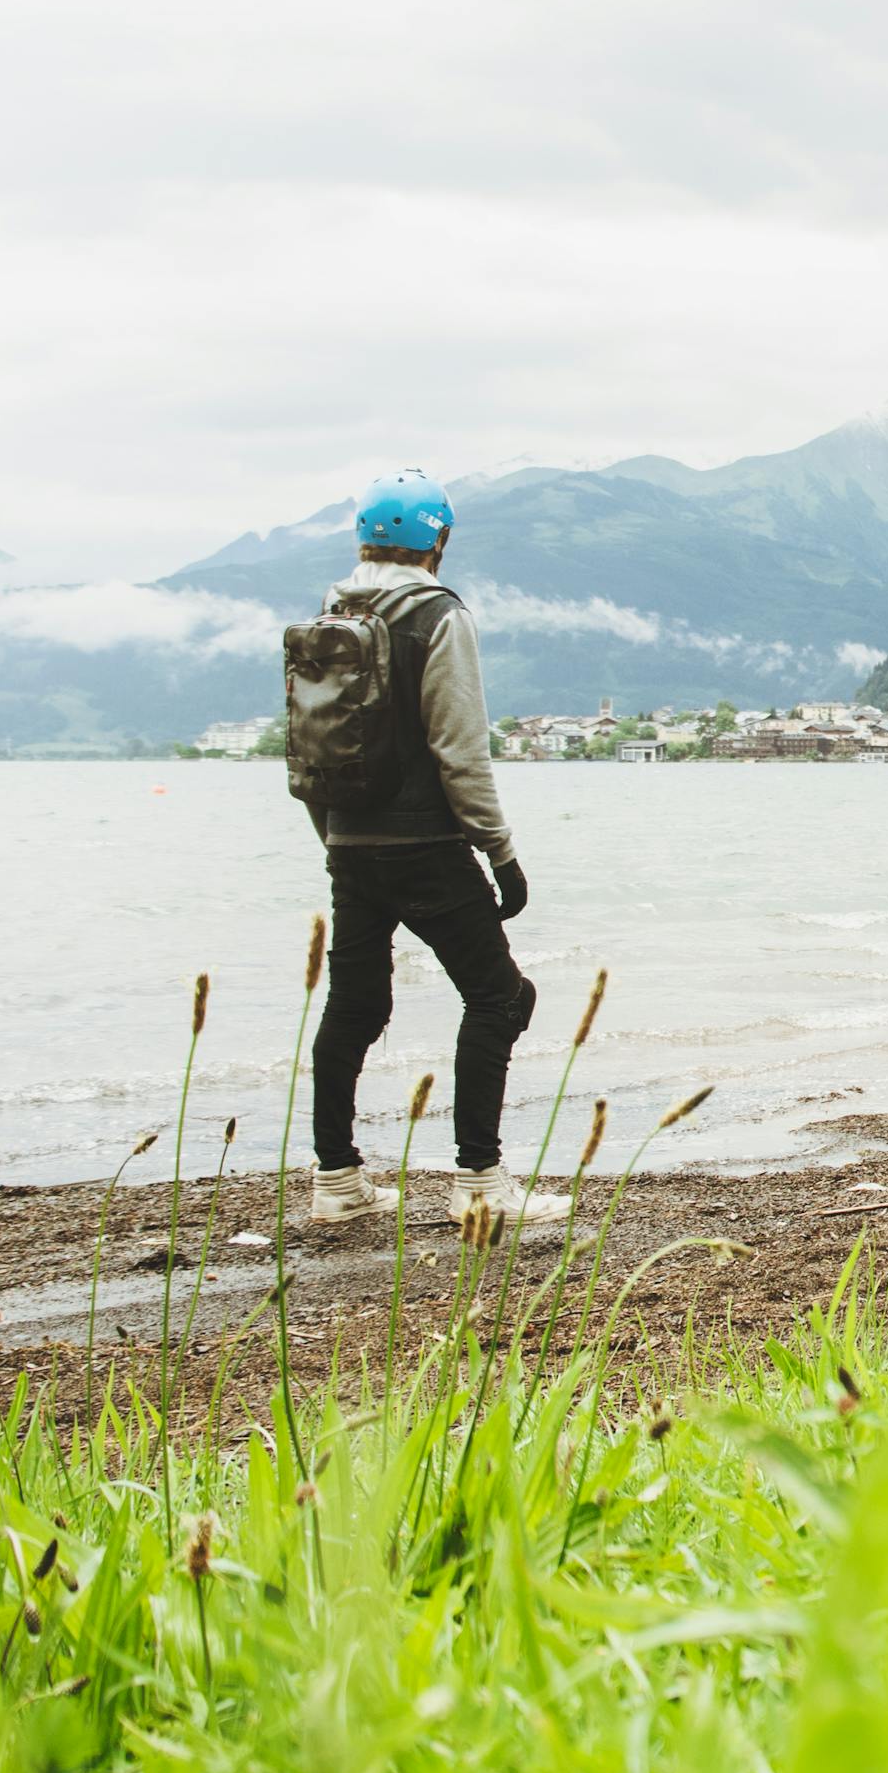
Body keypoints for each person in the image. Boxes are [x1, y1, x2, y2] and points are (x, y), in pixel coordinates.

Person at [302, 470, 564, 1227]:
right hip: (425, 845)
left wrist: (334, 840)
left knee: (354, 1005)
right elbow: (460, 751)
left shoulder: (329, 615)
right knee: (501, 998)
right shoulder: (437, 616)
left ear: (363, 539)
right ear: (438, 542)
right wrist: (501, 853)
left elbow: (311, 746)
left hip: (348, 841)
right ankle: (479, 1183)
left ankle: (338, 1182)